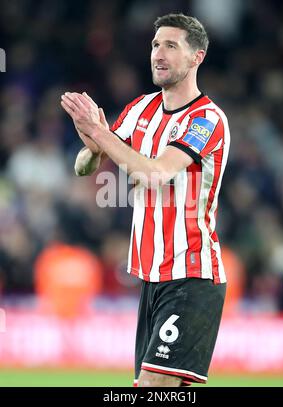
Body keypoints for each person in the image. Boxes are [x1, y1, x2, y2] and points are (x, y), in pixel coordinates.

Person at [61, 13, 230, 387]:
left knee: (152, 387)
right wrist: (91, 143)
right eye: (155, 45)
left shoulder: (207, 119)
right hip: (151, 278)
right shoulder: (140, 109)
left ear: (196, 57)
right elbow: (83, 168)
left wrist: (100, 135)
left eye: (171, 45)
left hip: (191, 275)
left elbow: (154, 173)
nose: (159, 53)